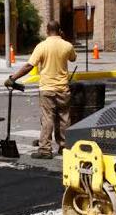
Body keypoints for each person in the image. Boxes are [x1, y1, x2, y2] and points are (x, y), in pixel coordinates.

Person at [6, 21, 77, 159]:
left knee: (47, 118)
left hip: (47, 88)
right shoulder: (67, 45)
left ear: (47, 30)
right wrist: (64, 38)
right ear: (60, 30)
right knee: (64, 117)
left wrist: (13, 78)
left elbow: (29, 66)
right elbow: (73, 59)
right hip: (63, 88)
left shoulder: (42, 46)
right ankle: (65, 147)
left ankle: (45, 149)